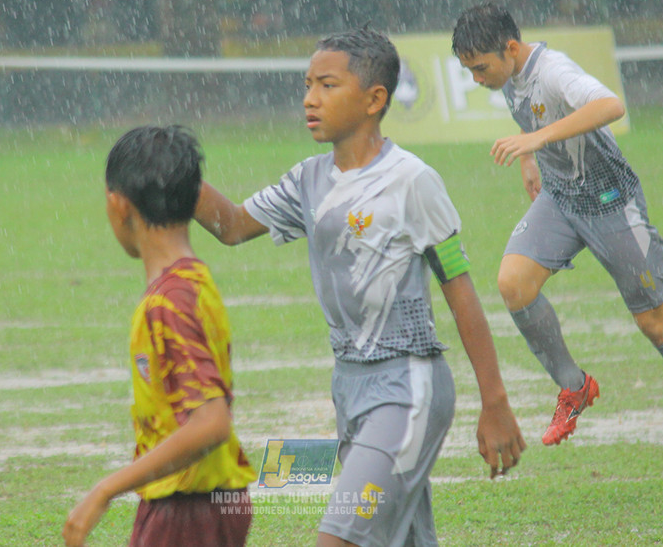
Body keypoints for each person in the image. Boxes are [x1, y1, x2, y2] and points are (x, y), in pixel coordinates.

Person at [194, 27, 525, 547]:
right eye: (307, 85)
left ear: (375, 100)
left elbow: (459, 288)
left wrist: (495, 401)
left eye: (327, 85)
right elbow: (232, 226)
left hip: (409, 389)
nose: (309, 98)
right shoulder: (307, 179)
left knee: (339, 537)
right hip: (349, 388)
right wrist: (178, 172)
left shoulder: (412, 180)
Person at [451, 3, 663, 493]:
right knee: (513, 285)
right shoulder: (513, 77)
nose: (477, 78)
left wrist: (536, 137)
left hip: (610, 204)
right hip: (562, 201)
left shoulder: (555, 70)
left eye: (481, 68)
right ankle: (574, 386)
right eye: (469, 70)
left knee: (654, 322)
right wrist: (532, 156)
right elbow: (533, 114)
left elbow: (609, 105)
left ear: (511, 49)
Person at [63, 125, 257, 547]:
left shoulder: (169, 303)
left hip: (188, 510)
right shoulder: (194, 280)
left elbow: (211, 423)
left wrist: (105, 489)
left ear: (118, 206)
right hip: (205, 502)